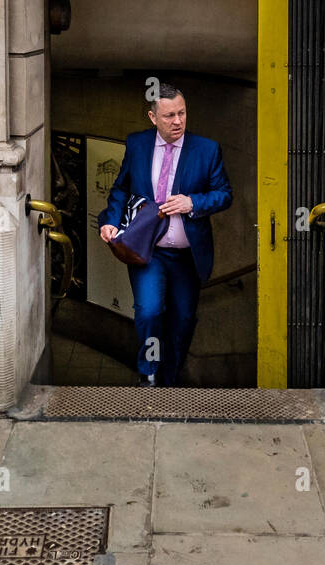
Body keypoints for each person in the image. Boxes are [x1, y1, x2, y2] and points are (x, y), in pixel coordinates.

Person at [99, 83, 232, 386]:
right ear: (152, 117)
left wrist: (193, 202)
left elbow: (224, 194)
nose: (177, 121)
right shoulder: (137, 144)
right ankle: (148, 372)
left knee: (183, 320)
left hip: (187, 255)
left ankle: (170, 377)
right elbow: (121, 187)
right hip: (149, 251)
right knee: (148, 311)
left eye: (182, 113)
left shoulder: (207, 149)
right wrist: (110, 221)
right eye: (169, 115)